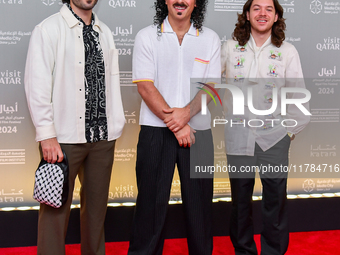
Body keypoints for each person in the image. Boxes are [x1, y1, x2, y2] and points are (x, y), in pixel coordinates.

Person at [24, 0, 125, 254]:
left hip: (102, 139)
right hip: (63, 140)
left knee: (96, 216)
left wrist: (115, 125)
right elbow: (37, 86)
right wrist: (47, 136)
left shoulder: (105, 32)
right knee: (54, 215)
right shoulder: (48, 29)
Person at [127, 0, 221, 254]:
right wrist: (178, 124)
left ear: (196, 3)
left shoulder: (210, 39)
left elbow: (211, 88)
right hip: (155, 133)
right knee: (149, 207)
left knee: (200, 209)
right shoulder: (147, 36)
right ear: (165, 1)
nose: (180, 0)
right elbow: (145, 87)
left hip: (198, 133)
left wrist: (186, 116)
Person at [221, 0, 310, 254]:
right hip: (238, 138)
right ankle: (244, 250)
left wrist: (287, 134)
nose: (262, 13)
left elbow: (297, 96)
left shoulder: (287, 51)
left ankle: (273, 251)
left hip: (274, 139)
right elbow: (208, 87)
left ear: (276, 16)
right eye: (256, 8)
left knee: (275, 203)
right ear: (247, 14)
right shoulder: (229, 48)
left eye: (268, 9)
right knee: (240, 204)